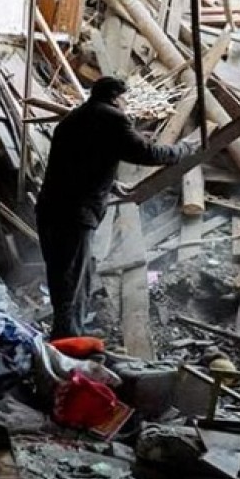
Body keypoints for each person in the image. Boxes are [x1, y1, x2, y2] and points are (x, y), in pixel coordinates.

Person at [36, 76, 197, 339]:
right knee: (72, 279)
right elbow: (147, 153)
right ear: (116, 97)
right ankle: (66, 341)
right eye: (125, 98)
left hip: (51, 208)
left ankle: (71, 330)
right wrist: (183, 150)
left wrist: (112, 185)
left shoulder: (72, 120)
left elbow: (76, 164)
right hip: (76, 213)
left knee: (69, 272)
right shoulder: (112, 118)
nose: (126, 104)